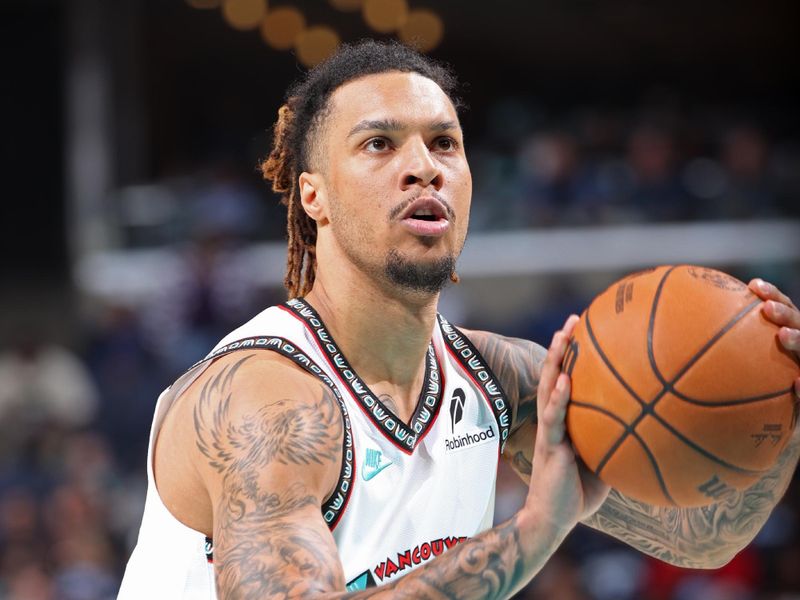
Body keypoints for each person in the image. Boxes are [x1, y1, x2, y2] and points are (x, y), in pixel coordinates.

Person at [118, 40, 800, 599]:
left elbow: (701, 535)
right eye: (379, 145)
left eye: (444, 143)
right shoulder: (265, 404)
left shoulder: (498, 380)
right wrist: (534, 531)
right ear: (313, 196)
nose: (424, 168)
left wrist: (782, 401)